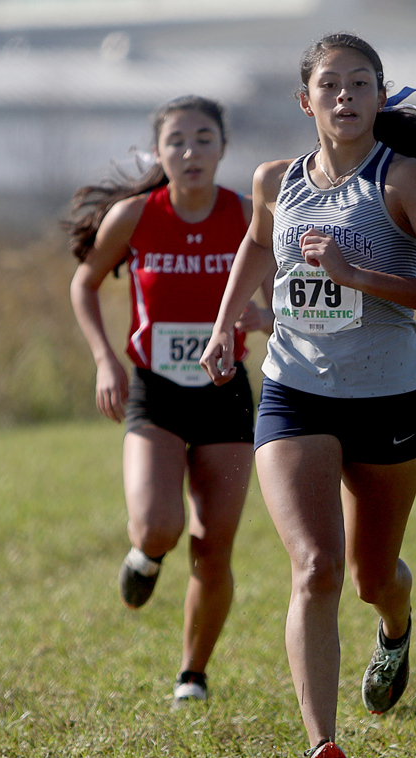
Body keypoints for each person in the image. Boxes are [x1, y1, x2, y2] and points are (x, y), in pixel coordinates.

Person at [199, 32, 416, 758]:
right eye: (330, 85)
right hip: (294, 393)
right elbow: (257, 247)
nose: (345, 96)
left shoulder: (405, 181)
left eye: (361, 83)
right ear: (307, 101)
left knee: (370, 578)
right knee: (316, 566)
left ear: (380, 96)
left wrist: (362, 276)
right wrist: (228, 324)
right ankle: (322, 746)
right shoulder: (274, 180)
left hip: (388, 396)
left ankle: (396, 628)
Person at [66, 95, 273, 706]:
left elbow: (290, 287)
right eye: (177, 142)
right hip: (153, 388)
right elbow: (84, 282)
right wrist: (106, 360)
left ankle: (192, 673)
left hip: (225, 391)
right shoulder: (134, 217)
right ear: (158, 152)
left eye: (204, 139)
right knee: (160, 524)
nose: (190, 153)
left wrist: (261, 315)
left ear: (223, 148)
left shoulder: (247, 212)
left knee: (213, 548)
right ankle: (147, 553)